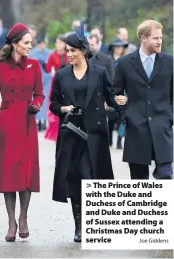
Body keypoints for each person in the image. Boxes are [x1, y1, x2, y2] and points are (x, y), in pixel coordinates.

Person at [49, 32, 123, 243]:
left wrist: (124, 104)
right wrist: (64, 108)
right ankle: (79, 226)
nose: (68, 54)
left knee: (92, 177)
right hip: (70, 133)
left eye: (72, 50)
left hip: (95, 135)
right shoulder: (62, 75)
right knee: (74, 178)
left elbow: (111, 98)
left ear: (82, 50)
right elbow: (53, 104)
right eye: (67, 51)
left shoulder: (99, 73)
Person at [0, 23, 44, 242]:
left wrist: (36, 106)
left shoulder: (34, 65)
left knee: (25, 173)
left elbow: (39, 94)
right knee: (9, 174)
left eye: (30, 43)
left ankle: (24, 217)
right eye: (26, 43)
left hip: (26, 122)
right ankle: (11, 222)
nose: (30, 46)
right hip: (7, 124)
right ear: (15, 43)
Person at [113, 20, 173, 180]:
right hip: (136, 131)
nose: (160, 41)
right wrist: (126, 115)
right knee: (139, 182)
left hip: (162, 129)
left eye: (160, 38)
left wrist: (169, 118)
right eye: (155, 38)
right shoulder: (124, 63)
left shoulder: (170, 62)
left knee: (166, 177)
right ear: (143, 38)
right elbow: (114, 94)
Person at [42, 35, 68, 141]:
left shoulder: (69, 53)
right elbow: (48, 69)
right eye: (57, 42)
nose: (58, 45)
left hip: (68, 80)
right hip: (56, 80)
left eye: (60, 42)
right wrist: (43, 64)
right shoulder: (52, 55)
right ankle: (56, 131)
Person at [29, 36, 52, 131]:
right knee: (36, 100)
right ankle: (37, 121)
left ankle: (43, 121)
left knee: (45, 101)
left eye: (43, 44)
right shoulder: (32, 53)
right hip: (35, 81)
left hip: (47, 80)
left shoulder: (49, 53)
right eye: (39, 44)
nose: (41, 46)